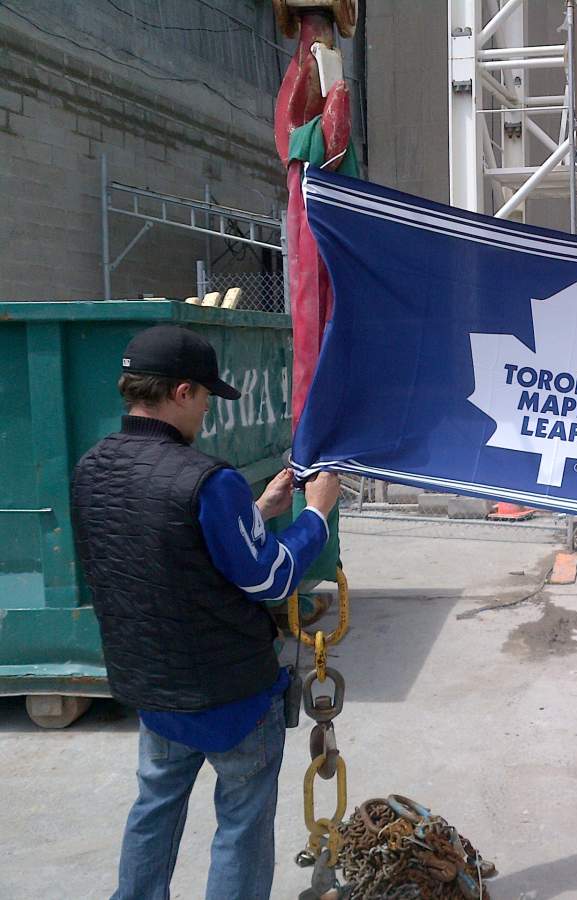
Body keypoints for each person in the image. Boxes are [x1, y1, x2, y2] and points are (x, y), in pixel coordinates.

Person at [70, 324, 341, 900]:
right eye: (206, 401)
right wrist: (315, 515)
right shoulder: (205, 479)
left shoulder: (92, 468)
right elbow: (269, 579)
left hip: (153, 688)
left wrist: (258, 509)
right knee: (241, 824)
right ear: (182, 392)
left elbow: (163, 552)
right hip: (231, 696)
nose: (207, 417)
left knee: (155, 808)